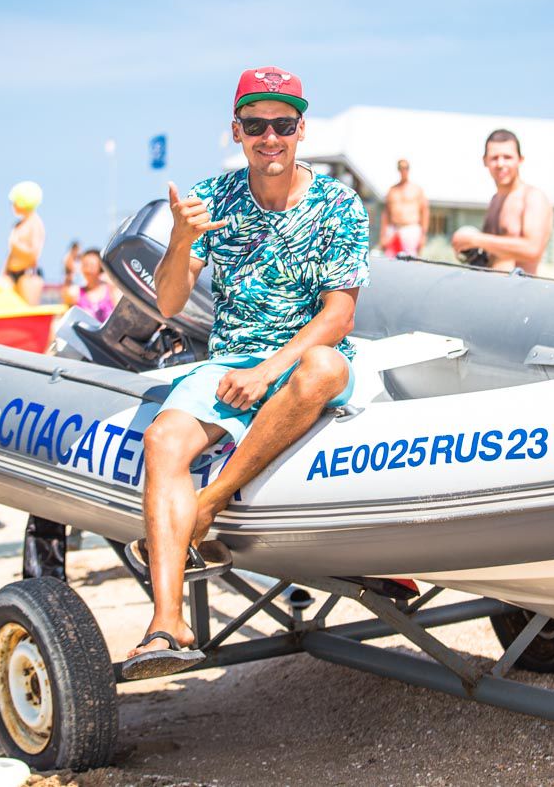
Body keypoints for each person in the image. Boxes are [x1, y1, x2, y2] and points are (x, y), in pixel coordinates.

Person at [121, 66, 369, 680]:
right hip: (230, 361)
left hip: (300, 359)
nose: (270, 137)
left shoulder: (339, 203)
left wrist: (267, 370)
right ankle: (166, 625)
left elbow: (339, 315)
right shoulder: (214, 196)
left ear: (301, 129)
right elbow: (170, 303)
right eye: (256, 125)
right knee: (163, 439)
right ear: (237, 131)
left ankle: (209, 503)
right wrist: (181, 240)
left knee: (324, 367)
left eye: (282, 124)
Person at [449, 129, 551, 274]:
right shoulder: (495, 200)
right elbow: (493, 253)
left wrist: (476, 240)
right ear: (485, 161)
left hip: (520, 287)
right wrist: (468, 249)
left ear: (520, 160)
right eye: (494, 158)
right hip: (490, 285)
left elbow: (532, 249)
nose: (500, 164)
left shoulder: (533, 197)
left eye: (507, 157)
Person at [0, 181, 46, 305]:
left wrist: (16, 245)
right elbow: (11, 254)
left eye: (14, 202)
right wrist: (3, 273)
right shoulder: (19, 224)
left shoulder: (35, 223)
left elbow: (34, 253)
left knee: (28, 311)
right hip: (11, 274)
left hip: (28, 275)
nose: (12, 206)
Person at [380, 158, 429, 257]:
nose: (403, 170)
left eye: (406, 168)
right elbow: (386, 214)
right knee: (389, 258)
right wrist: (383, 235)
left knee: (411, 260)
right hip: (394, 229)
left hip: (411, 229)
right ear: (398, 169)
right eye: (401, 168)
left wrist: (423, 235)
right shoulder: (392, 190)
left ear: (409, 169)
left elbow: (424, 212)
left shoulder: (416, 189)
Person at [64, 247, 118, 322]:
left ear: (101, 267)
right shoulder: (76, 293)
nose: (88, 270)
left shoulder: (111, 290)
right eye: (86, 265)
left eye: (92, 265)